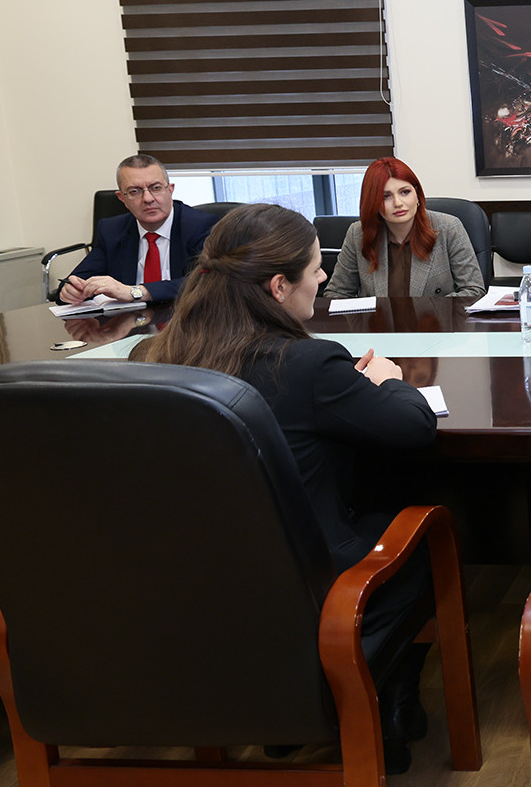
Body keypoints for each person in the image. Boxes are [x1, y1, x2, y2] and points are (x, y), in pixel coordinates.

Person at [131, 203, 439, 770]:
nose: (323, 278)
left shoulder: (154, 355)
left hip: (193, 583)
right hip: (310, 583)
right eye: (316, 268)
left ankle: (285, 715)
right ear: (278, 286)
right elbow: (414, 427)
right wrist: (387, 380)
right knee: (412, 539)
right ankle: (385, 710)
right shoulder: (307, 364)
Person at [57, 154, 218, 306]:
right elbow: (78, 279)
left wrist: (135, 292)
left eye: (156, 188)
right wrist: (71, 291)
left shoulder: (202, 226)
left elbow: (209, 282)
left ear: (170, 189)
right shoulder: (111, 230)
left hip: (185, 317)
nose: (148, 199)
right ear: (122, 198)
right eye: (134, 191)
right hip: (129, 321)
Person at [324, 157, 485, 299]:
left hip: (435, 323)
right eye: (385, 196)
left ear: (417, 194)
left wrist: (429, 311)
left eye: (405, 192)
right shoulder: (358, 234)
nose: (398, 203)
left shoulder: (448, 228)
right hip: (378, 323)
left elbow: (474, 291)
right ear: (373, 202)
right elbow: (336, 294)